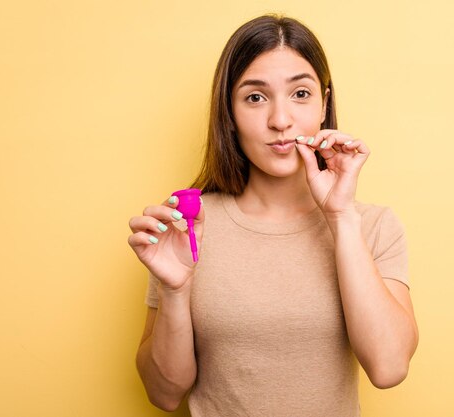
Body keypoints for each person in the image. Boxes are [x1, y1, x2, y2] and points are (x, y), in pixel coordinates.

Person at [127, 14, 418, 416]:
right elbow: (164, 393)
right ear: (228, 110)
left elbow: (388, 368)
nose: (280, 121)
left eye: (300, 94)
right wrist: (175, 292)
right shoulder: (187, 229)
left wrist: (340, 216)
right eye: (255, 97)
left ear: (324, 104)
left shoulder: (371, 225)